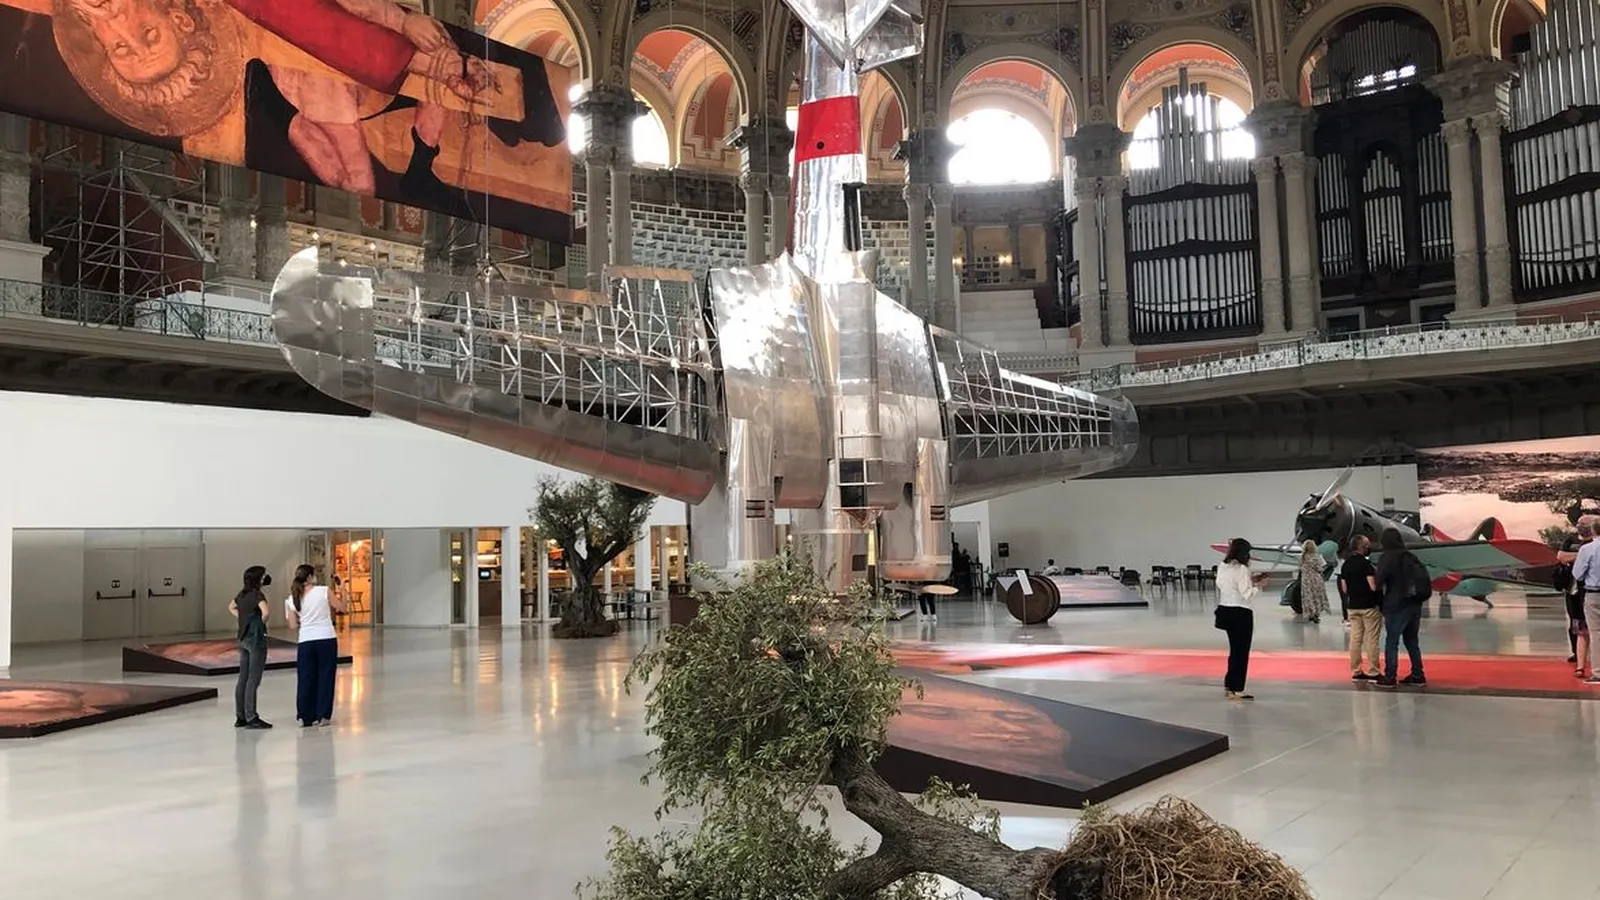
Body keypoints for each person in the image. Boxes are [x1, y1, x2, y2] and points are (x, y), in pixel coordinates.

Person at [286, 564, 345, 727]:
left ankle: (305, 716)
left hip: (305, 640)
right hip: (326, 638)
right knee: (326, 676)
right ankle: (323, 715)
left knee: (305, 678)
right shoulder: (323, 591)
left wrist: (305, 620)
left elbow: (292, 625)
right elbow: (342, 608)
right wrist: (343, 590)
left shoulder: (292, 598)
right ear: (310, 577)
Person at [1215, 538, 1269, 701]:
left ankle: (1229, 685)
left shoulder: (1222, 566)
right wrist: (1259, 586)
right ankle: (1237, 688)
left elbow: (1224, 584)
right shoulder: (1242, 569)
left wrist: (1252, 580)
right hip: (1240, 613)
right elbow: (1247, 595)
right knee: (1241, 652)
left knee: (1234, 651)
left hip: (1225, 610)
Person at [1374, 528, 1427, 688]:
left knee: (1392, 641)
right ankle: (1418, 675)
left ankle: (1390, 676)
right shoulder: (1410, 556)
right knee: (1412, 641)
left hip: (1396, 604)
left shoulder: (1387, 557)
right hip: (1415, 603)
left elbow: (1378, 582)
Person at [229, 565, 273, 729]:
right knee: (253, 679)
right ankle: (252, 716)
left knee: (243, 677)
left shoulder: (242, 594)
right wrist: (259, 622)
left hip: (243, 637)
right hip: (256, 639)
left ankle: (240, 716)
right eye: (264, 576)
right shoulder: (257, 595)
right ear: (259, 579)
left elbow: (231, 607)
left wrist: (243, 618)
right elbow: (266, 612)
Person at [1338, 535, 1382, 681]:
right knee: (1372, 639)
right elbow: (1373, 586)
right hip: (1369, 607)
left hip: (1353, 607)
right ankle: (1373, 671)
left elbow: (1344, 589)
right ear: (1362, 547)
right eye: (1367, 544)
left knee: (1355, 639)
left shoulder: (1346, 565)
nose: (1369, 547)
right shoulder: (1366, 565)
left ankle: (1356, 671)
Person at [1572, 526, 1600, 685]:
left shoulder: (1587, 549)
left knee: (1596, 633)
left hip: (1594, 594)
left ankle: (1598, 673)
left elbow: (1578, 574)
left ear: (1593, 531)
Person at [1298, 540, 1330, 625]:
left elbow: (1300, 568)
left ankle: (1310, 614)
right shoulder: (1317, 557)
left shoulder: (1301, 557)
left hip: (1306, 580)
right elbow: (1320, 568)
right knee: (1317, 596)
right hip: (1316, 579)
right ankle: (1316, 614)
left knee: (1308, 596)